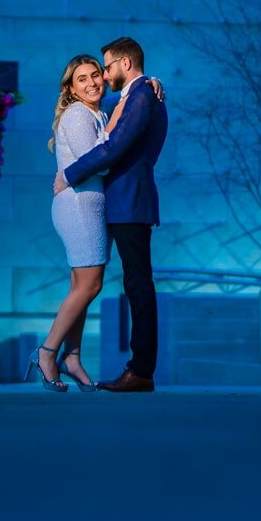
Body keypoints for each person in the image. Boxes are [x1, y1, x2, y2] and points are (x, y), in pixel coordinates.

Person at [29, 53, 164, 392]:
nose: (91, 82)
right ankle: (47, 352)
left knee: (83, 286)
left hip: (90, 205)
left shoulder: (97, 113)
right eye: (82, 79)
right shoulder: (77, 115)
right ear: (71, 89)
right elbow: (101, 164)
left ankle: (72, 358)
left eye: (95, 75)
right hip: (79, 206)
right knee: (89, 286)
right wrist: (119, 115)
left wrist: (147, 87)